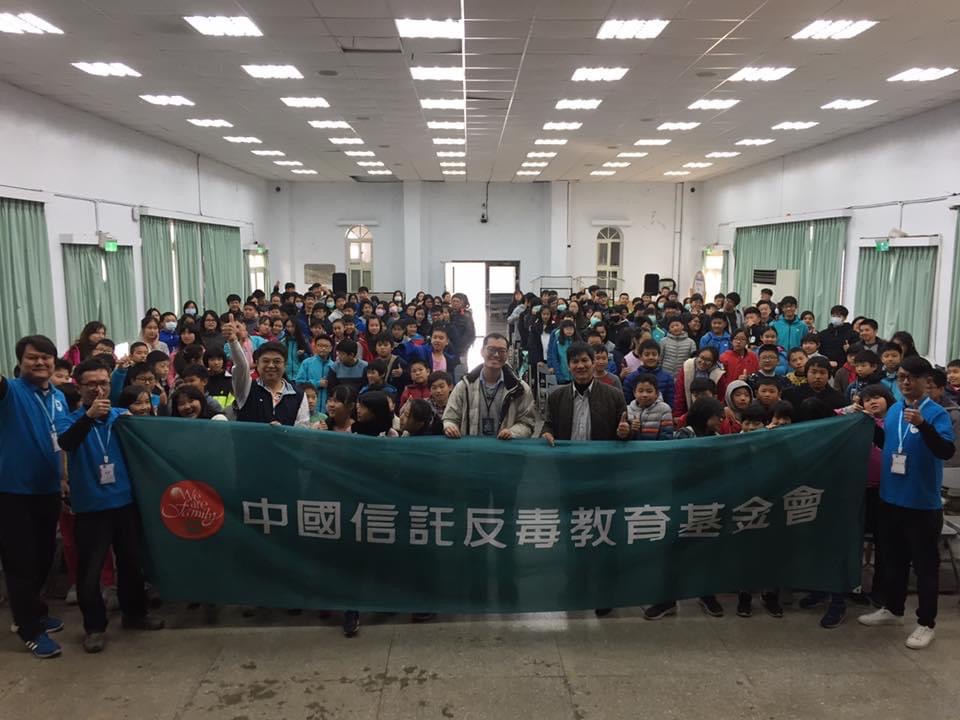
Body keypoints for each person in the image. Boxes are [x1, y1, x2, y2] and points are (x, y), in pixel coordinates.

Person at [56, 359, 165, 653]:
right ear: (79, 387)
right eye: (91, 384)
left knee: (131, 564)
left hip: (125, 502)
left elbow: (152, 423)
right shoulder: (68, 420)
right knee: (89, 572)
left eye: (103, 383)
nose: (98, 388)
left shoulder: (121, 417)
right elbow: (67, 442)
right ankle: (94, 627)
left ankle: (135, 615)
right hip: (91, 508)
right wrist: (89, 416)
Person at [859, 356, 956, 650]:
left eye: (911, 378)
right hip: (890, 499)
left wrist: (923, 425)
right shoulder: (894, 410)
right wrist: (864, 423)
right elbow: (887, 442)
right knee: (893, 560)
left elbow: (945, 451)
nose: (904, 382)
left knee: (925, 567)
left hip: (922, 504)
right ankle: (893, 610)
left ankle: (926, 623)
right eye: (901, 377)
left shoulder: (936, 414)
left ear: (926, 381)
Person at [0, 336, 69, 658]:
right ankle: (28, 629)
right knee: (21, 563)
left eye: (46, 357)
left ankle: (34, 612)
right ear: (20, 362)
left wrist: (64, 478)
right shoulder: (9, 392)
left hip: (48, 489)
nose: (40, 362)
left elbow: (61, 440)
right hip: (13, 492)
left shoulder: (58, 396)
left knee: (43, 557)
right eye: (32, 357)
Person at [645, 397, 726, 620]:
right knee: (676, 553)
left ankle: (707, 594)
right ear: (704, 415)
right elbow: (677, 466)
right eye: (716, 416)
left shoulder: (718, 439)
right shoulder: (684, 435)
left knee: (707, 551)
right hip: (683, 502)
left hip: (709, 503)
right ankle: (667, 599)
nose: (721, 419)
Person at [443, 333, 537, 440]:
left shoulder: (520, 389)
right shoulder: (464, 386)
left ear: (507, 354)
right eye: (491, 350)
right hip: (472, 448)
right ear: (482, 351)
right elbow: (450, 417)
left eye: (502, 351)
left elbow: (528, 422)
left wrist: (513, 432)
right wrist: (450, 426)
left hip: (506, 447)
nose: (496, 355)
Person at [541, 342, 628, 446]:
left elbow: (625, 429)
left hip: (601, 455)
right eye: (575, 361)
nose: (580, 366)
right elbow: (548, 425)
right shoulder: (556, 398)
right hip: (566, 455)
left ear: (593, 363)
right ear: (568, 366)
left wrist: (625, 433)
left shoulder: (614, 396)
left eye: (584, 360)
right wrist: (547, 433)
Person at [223, 321, 309, 426]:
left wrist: (284, 431)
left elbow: (302, 429)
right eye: (266, 361)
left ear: (285, 365)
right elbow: (241, 366)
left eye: (277, 361)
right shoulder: (246, 388)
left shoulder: (298, 395)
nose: (271, 365)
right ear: (257, 363)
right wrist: (233, 342)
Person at [673, 347, 724, 421]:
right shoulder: (687, 366)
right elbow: (679, 393)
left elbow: (720, 397)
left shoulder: (719, 374)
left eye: (708, 360)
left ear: (714, 362)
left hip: (709, 414)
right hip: (686, 410)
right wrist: (678, 414)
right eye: (701, 358)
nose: (703, 362)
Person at [622, 340, 674, 409]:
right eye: (647, 354)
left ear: (659, 356)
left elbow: (670, 402)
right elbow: (627, 402)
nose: (651, 357)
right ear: (640, 357)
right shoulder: (630, 378)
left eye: (654, 354)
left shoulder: (667, 378)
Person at [624, 373, 673, 441]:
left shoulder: (664, 409)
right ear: (634, 393)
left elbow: (666, 436)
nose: (644, 395)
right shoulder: (628, 410)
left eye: (649, 391)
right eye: (640, 391)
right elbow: (623, 437)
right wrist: (631, 429)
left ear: (657, 393)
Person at [295, 335, 334, 410]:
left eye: (326, 346)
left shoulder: (333, 366)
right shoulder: (307, 363)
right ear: (315, 347)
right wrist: (317, 383)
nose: (323, 348)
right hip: (308, 406)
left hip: (327, 409)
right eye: (320, 346)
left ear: (331, 348)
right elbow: (299, 383)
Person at [718, 329, 759, 399]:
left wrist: (748, 379)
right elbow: (722, 380)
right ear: (731, 341)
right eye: (736, 338)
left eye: (742, 339)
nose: (738, 342)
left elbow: (757, 374)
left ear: (747, 342)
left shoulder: (753, 356)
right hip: (730, 393)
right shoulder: (724, 357)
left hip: (749, 392)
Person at [547, 319, 578, 384]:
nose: (569, 331)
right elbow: (555, 358)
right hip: (562, 375)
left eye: (571, 329)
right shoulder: (557, 342)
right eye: (567, 329)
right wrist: (559, 375)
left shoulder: (578, 341)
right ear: (562, 329)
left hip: (576, 376)